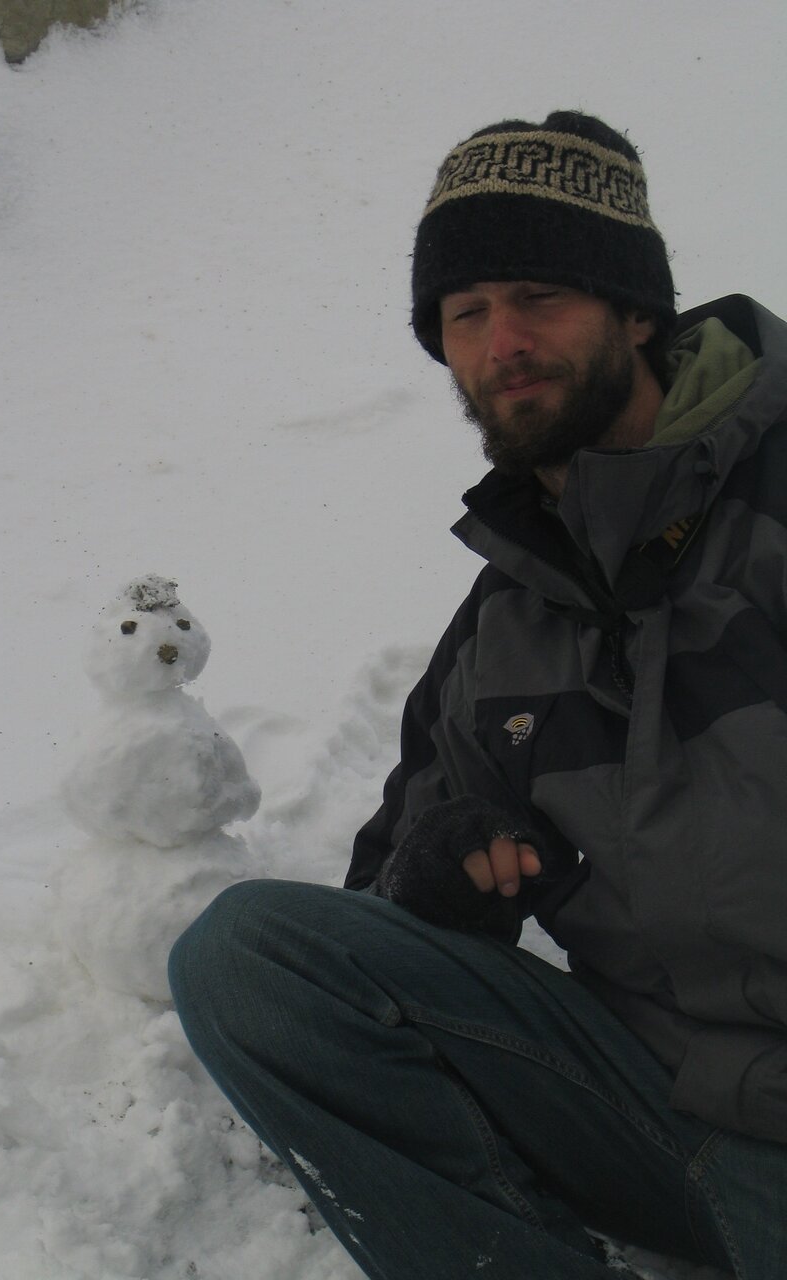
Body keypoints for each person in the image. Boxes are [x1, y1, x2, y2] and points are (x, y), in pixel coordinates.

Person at [168, 111, 787, 1279]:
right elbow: (383, 907)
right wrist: (453, 866)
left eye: (541, 296)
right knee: (255, 956)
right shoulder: (506, 622)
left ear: (636, 310)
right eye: (466, 314)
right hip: (652, 1109)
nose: (503, 340)